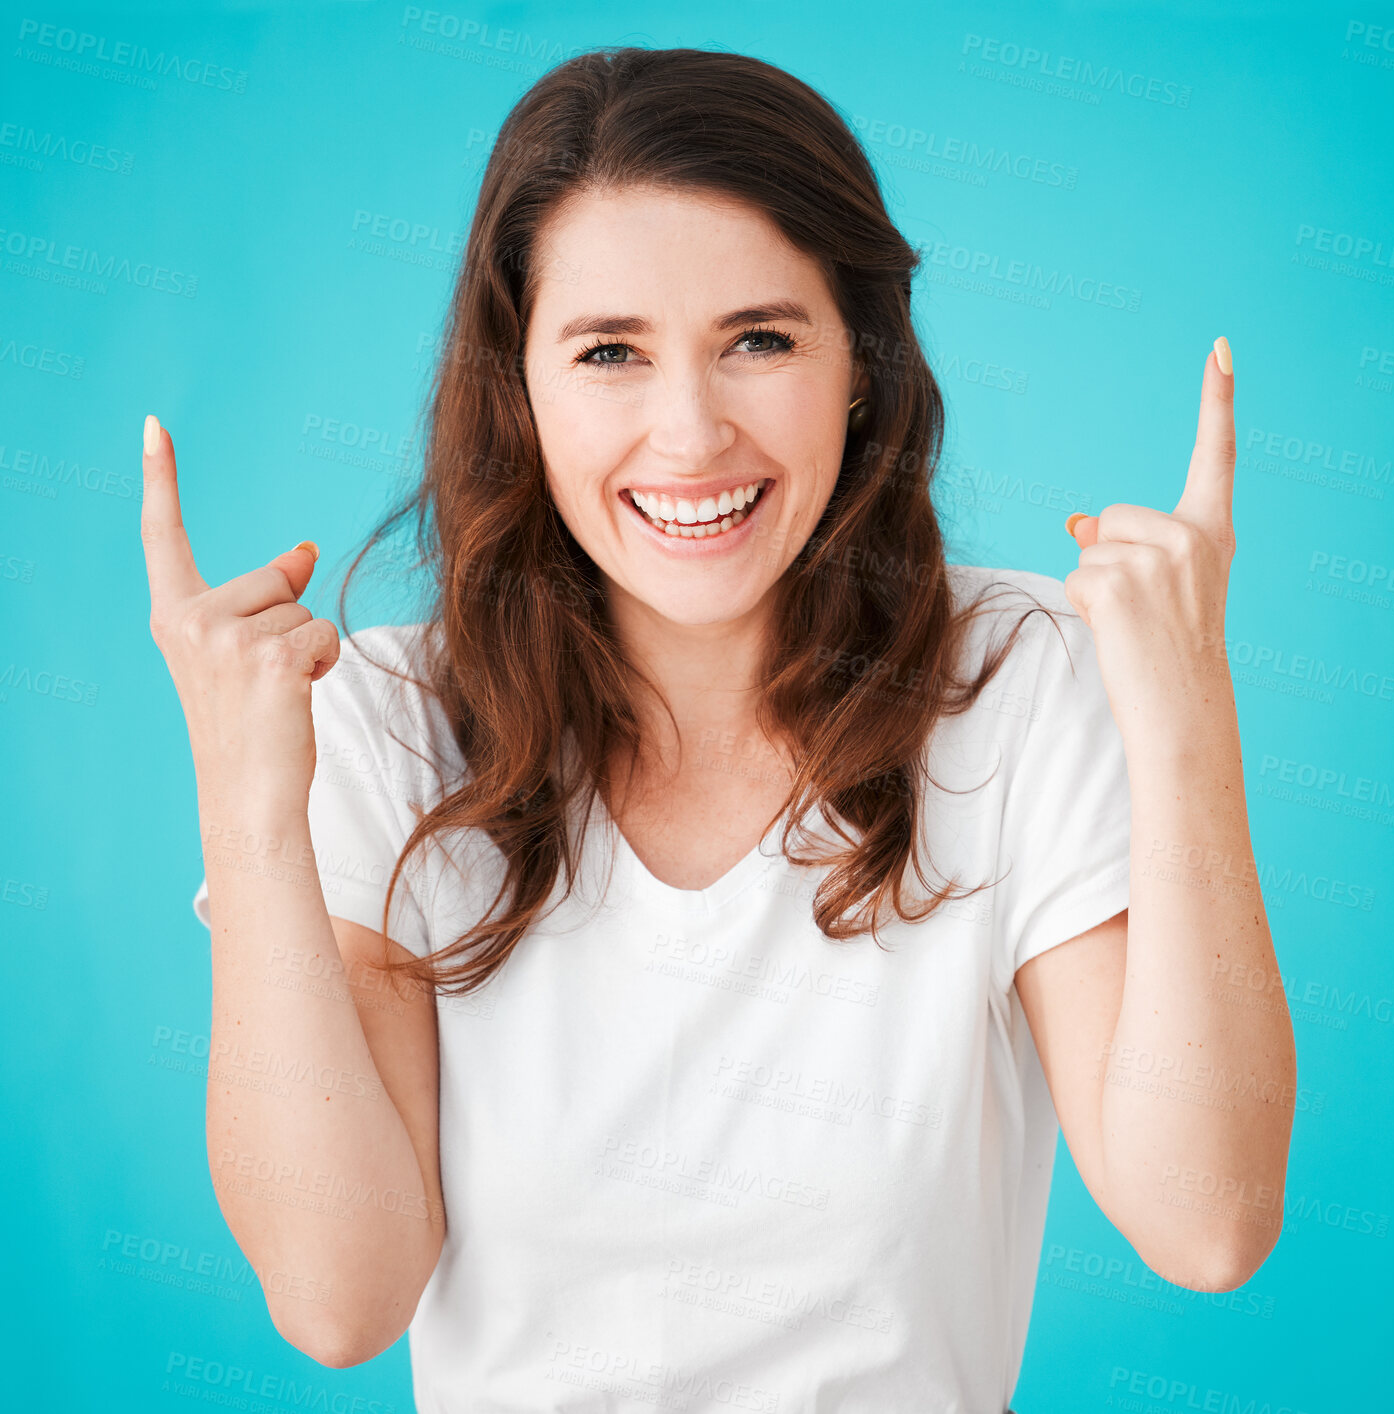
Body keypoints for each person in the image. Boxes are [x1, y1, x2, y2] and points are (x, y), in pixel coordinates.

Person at [146, 46, 1295, 1414]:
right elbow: (341, 1299)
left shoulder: (1018, 672)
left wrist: (1185, 718)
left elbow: (1206, 1219)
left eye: (760, 339)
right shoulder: (388, 722)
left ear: (860, 363)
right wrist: (251, 805)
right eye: (610, 352)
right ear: (519, 388)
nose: (689, 433)